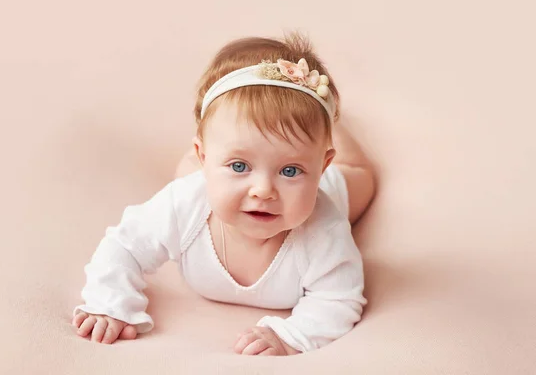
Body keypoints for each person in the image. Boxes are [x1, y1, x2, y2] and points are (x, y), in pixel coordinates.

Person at [72, 33, 376, 355]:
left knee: (362, 177)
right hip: (204, 183)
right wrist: (109, 301)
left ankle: (332, 129)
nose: (263, 190)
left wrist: (292, 336)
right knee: (188, 178)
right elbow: (125, 246)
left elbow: (338, 298)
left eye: (290, 170)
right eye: (240, 165)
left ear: (321, 166)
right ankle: (245, 157)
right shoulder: (183, 204)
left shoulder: (325, 227)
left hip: (325, 184)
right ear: (204, 156)